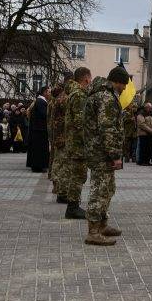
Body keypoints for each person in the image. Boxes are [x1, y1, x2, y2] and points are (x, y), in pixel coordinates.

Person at [82, 67, 128, 246]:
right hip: (102, 153)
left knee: (107, 189)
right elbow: (107, 129)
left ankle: (102, 225)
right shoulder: (106, 97)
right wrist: (115, 154)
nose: (124, 88)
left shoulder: (101, 94)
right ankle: (93, 231)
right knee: (100, 191)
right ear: (117, 81)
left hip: (100, 151)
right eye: (124, 84)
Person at [61, 67, 93, 219]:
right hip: (78, 144)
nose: (90, 81)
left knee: (77, 175)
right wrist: (88, 142)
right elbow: (81, 123)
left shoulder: (75, 93)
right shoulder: (80, 95)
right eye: (90, 79)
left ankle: (73, 205)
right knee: (78, 176)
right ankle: (72, 208)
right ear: (86, 78)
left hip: (74, 142)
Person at [47, 83, 67, 194]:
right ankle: (56, 184)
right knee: (58, 160)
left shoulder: (52, 102)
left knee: (54, 159)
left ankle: (54, 180)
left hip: (54, 132)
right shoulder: (59, 101)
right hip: (59, 133)